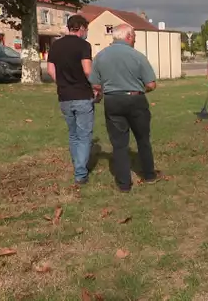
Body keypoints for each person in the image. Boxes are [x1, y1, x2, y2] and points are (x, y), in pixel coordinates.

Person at [88, 24, 160, 193]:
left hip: (113, 101)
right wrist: (143, 89)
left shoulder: (100, 56)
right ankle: (149, 174)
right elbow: (151, 84)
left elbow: (96, 83)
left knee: (119, 144)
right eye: (134, 36)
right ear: (128, 37)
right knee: (143, 139)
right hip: (136, 100)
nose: (135, 39)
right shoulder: (138, 56)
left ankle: (124, 184)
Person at [46, 14, 95, 185]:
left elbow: (51, 70)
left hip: (64, 96)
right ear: (81, 28)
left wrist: (61, 83)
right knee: (84, 135)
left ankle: (77, 164)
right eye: (86, 29)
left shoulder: (55, 45)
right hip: (82, 95)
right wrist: (97, 87)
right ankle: (80, 173)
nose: (86, 32)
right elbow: (88, 71)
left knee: (73, 134)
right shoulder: (84, 45)